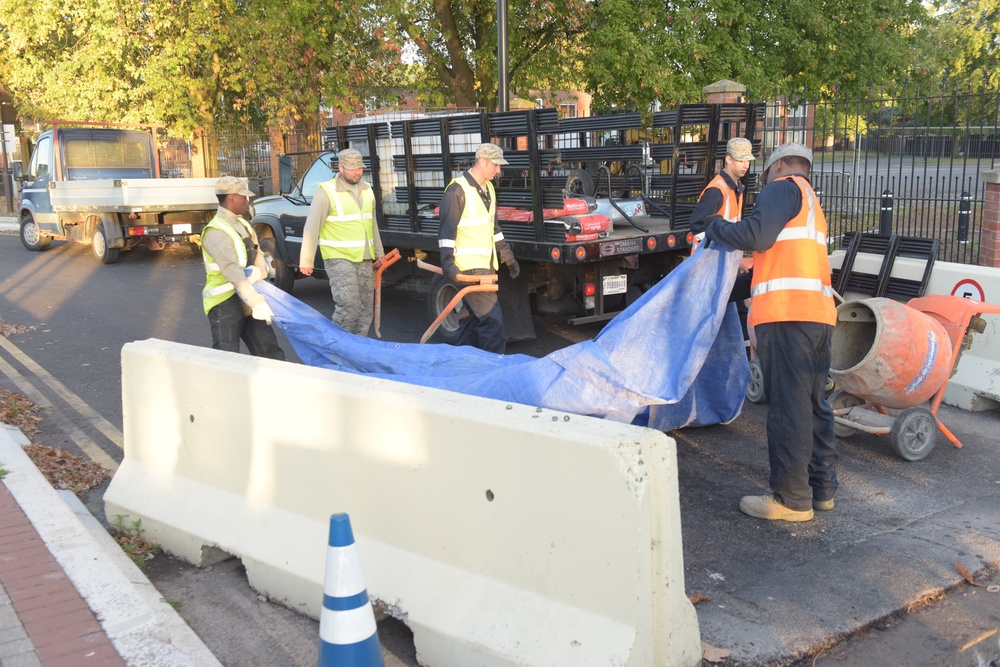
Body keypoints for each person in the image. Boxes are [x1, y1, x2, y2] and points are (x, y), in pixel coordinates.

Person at [701, 142, 838, 522]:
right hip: (816, 317)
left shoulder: (783, 187)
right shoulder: (811, 202)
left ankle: (792, 500)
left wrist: (712, 225)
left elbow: (756, 236)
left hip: (787, 318)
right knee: (813, 406)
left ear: (777, 166)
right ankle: (821, 489)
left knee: (788, 409)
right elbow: (773, 261)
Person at [437, 143, 520, 354]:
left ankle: (463, 365)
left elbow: (493, 228)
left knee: (471, 321)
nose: (498, 170)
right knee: (492, 322)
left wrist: (507, 257)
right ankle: (494, 370)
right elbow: (446, 234)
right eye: (495, 165)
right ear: (482, 161)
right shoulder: (457, 190)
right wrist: (449, 266)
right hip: (469, 269)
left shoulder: (488, 189)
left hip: (485, 267)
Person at [299, 148, 385, 336]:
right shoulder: (327, 192)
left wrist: (380, 255)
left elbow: (372, 225)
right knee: (349, 306)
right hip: (338, 258)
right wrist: (306, 260)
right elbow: (311, 227)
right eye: (352, 168)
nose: (357, 172)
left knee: (365, 309)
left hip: (364, 258)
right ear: (340, 168)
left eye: (360, 168)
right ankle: (335, 346)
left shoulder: (367, 190)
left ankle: (357, 348)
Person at [201, 176, 285, 360]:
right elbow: (233, 272)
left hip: (246, 298)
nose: (248, 200)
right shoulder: (216, 231)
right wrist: (256, 301)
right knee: (227, 358)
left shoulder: (242, 224)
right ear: (231, 197)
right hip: (225, 303)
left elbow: (258, 254)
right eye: (244, 197)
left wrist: (259, 271)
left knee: (270, 352)